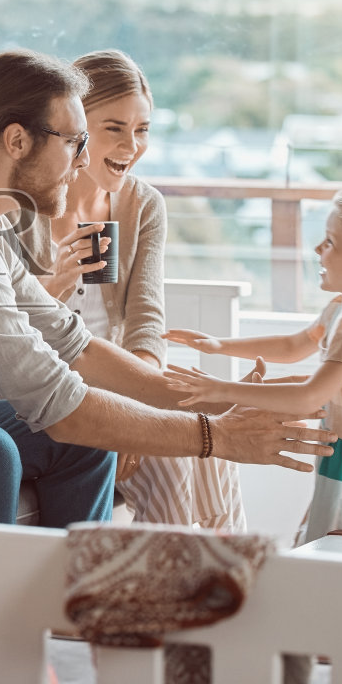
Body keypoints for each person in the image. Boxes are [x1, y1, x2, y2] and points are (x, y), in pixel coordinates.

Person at [0, 48, 334, 527]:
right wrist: (216, 437)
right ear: (17, 141)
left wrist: (222, 398)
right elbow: (59, 404)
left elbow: (75, 345)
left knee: (80, 444)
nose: (81, 161)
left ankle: (72, 602)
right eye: (75, 142)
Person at [19, 49, 245, 531]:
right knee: (183, 448)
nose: (132, 146)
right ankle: (168, 586)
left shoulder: (140, 205)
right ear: (76, 127)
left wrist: (139, 412)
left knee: (196, 429)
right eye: (115, 128)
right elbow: (10, 328)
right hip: (36, 380)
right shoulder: (25, 204)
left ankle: (215, 576)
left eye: (142, 129)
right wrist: (56, 283)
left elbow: (145, 323)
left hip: (118, 375)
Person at [165, 188, 342, 543]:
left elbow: (308, 398)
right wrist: (220, 346)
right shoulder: (341, 309)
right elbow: (293, 346)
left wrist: (221, 388)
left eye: (330, 242)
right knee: (326, 544)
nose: (317, 250)